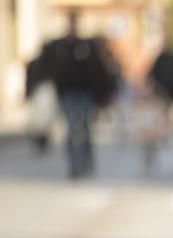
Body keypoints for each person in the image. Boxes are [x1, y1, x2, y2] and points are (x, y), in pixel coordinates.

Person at [41, 11, 119, 178]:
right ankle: (74, 165)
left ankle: (86, 160)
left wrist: (104, 95)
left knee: (84, 128)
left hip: (85, 94)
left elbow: (99, 72)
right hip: (67, 94)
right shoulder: (59, 46)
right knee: (70, 130)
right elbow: (47, 66)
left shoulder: (87, 47)